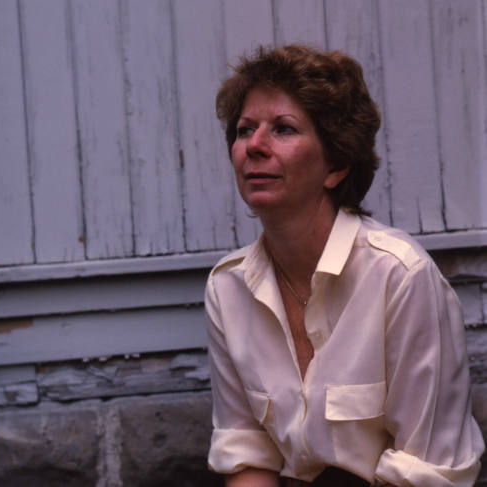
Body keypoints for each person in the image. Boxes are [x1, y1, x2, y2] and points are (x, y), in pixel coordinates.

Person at [204, 44, 484, 486]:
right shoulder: (228, 287)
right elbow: (247, 456)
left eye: (283, 129)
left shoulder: (399, 276)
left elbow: (428, 470)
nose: (253, 146)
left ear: (335, 164)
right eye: (243, 130)